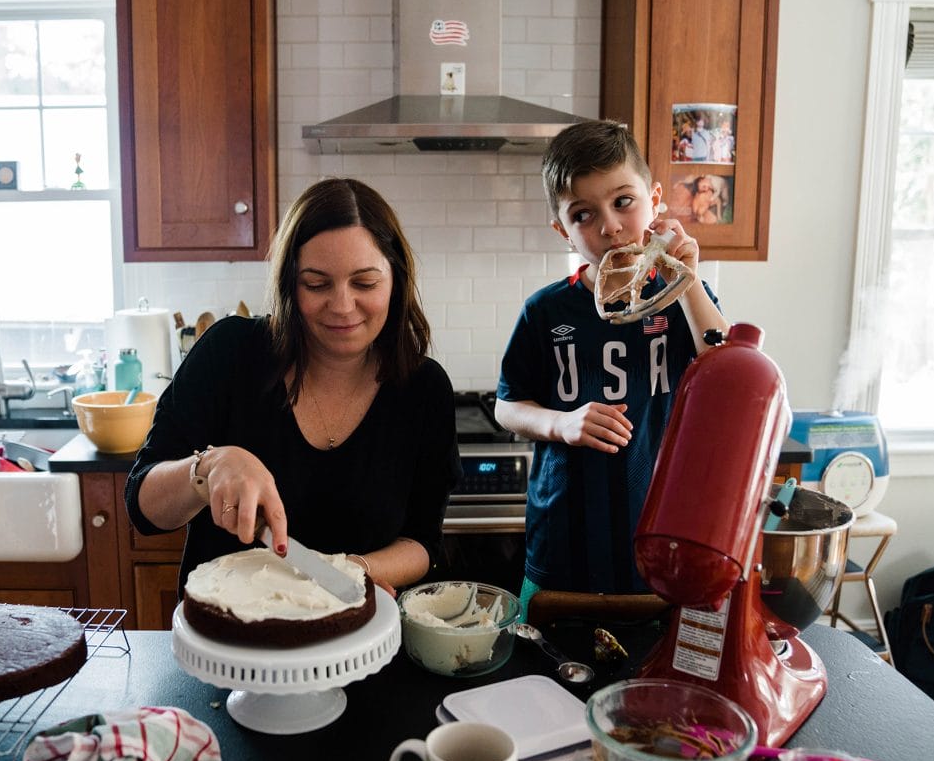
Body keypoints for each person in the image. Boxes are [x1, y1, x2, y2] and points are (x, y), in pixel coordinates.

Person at [124, 178, 461, 598]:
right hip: (228, 652)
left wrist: (349, 570)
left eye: (364, 283)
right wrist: (208, 468)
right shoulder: (229, 354)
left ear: (395, 278)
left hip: (357, 649)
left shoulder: (423, 389)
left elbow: (423, 542)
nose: (341, 305)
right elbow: (144, 508)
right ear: (289, 283)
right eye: (316, 284)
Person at [494, 120, 728, 614]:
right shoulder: (546, 311)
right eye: (584, 214)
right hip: (562, 547)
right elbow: (507, 406)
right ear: (562, 229)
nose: (610, 226)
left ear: (656, 197)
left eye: (623, 201)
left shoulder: (683, 300)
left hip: (662, 543)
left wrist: (688, 282)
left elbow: (728, 377)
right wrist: (562, 422)